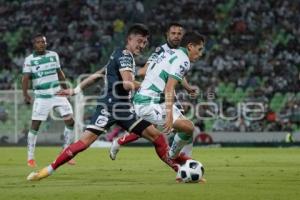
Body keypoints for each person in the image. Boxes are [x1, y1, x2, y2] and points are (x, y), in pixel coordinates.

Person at [27, 24, 184, 182]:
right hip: (120, 107)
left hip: (109, 106)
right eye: (139, 41)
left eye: (144, 43)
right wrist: (154, 87)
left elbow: (98, 75)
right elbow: (127, 84)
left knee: (83, 143)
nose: (142, 45)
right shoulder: (125, 56)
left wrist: (75, 90)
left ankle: (46, 171)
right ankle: (180, 170)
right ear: (129, 39)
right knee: (157, 137)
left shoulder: (116, 53)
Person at [109, 23, 200, 160]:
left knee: (178, 127)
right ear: (167, 35)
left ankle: (184, 162)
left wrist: (187, 87)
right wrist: (129, 75)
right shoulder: (161, 50)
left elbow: (176, 73)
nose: (176, 36)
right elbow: (145, 70)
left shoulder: (180, 52)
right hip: (153, 95)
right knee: (174, 127)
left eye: (179, 34)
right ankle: (180, 160)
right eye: (173, 33)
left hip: (163, 94)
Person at [22, 34, 75, 167]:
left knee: (70, 121)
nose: (41, 44)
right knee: (35, 125)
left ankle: (65, 152)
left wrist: (66, 89)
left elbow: (59, 72)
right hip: (42, 97)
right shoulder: (29, 60)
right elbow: (25, 78)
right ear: (34, 44)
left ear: (46, 43)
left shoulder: (53, 55)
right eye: (38, 42)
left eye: (43, 42)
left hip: (58, 93)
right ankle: (30, 157)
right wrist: (25, 94)